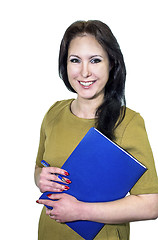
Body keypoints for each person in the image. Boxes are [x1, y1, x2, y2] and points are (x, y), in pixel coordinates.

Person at [35, 20, 158, 240]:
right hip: (50, 233)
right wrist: (40, 178)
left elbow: (151, 204)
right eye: (75, 60)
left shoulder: (128, 122)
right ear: (65, 64)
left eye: (95, 60)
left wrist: (80, 211)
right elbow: (38, 169)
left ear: (111, 63)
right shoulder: (54, 113)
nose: (84, 72)